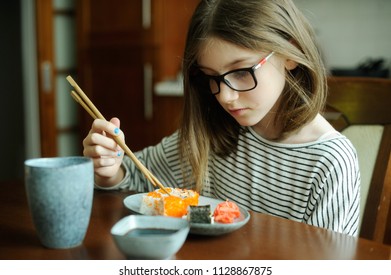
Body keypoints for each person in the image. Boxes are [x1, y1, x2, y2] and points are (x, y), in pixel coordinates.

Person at [83, 0, 360, 236]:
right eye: (212, 77)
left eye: (241, 72)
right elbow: (136, 177)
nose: (225, 96)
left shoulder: (330, 161)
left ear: (290, 53)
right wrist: (110, 168)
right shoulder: (215, 134)